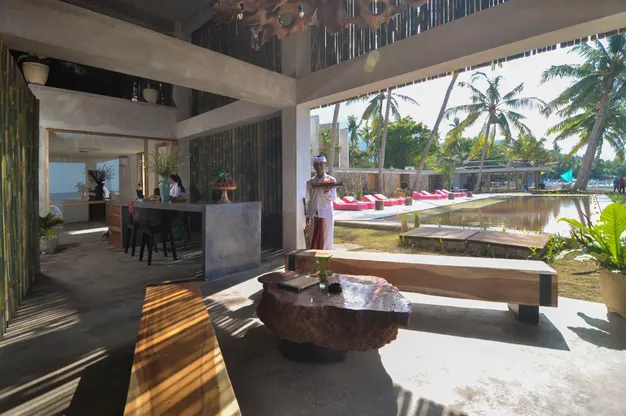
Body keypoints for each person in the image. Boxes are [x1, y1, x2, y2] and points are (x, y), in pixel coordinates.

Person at [306, 155, 337, 250]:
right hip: (314, 213)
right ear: (314, 166)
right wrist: (307, 214)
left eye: (321, 164)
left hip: (326, 213)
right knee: (313, 238)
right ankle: (314, 258)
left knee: (326, 239)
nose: (318, 166)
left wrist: (327, 191)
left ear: (325, 165)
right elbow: (308, 199)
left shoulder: (331, 180)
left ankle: (326, 257)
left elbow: (333, 198)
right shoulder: (310, 182)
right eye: (316, 164)